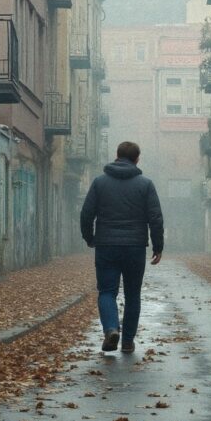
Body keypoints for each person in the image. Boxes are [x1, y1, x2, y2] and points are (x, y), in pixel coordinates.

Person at [79, 141, 164, 353]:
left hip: (106, 245)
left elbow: (86, 214)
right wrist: (158, 245)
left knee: (107, 291)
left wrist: (90, 238)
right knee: (133, 293)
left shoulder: (99, 183)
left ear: (116, 155)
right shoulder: (145, 185)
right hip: (135, 246)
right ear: (137, 159)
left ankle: (110, 329)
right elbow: (155, 218)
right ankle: (127, 341)